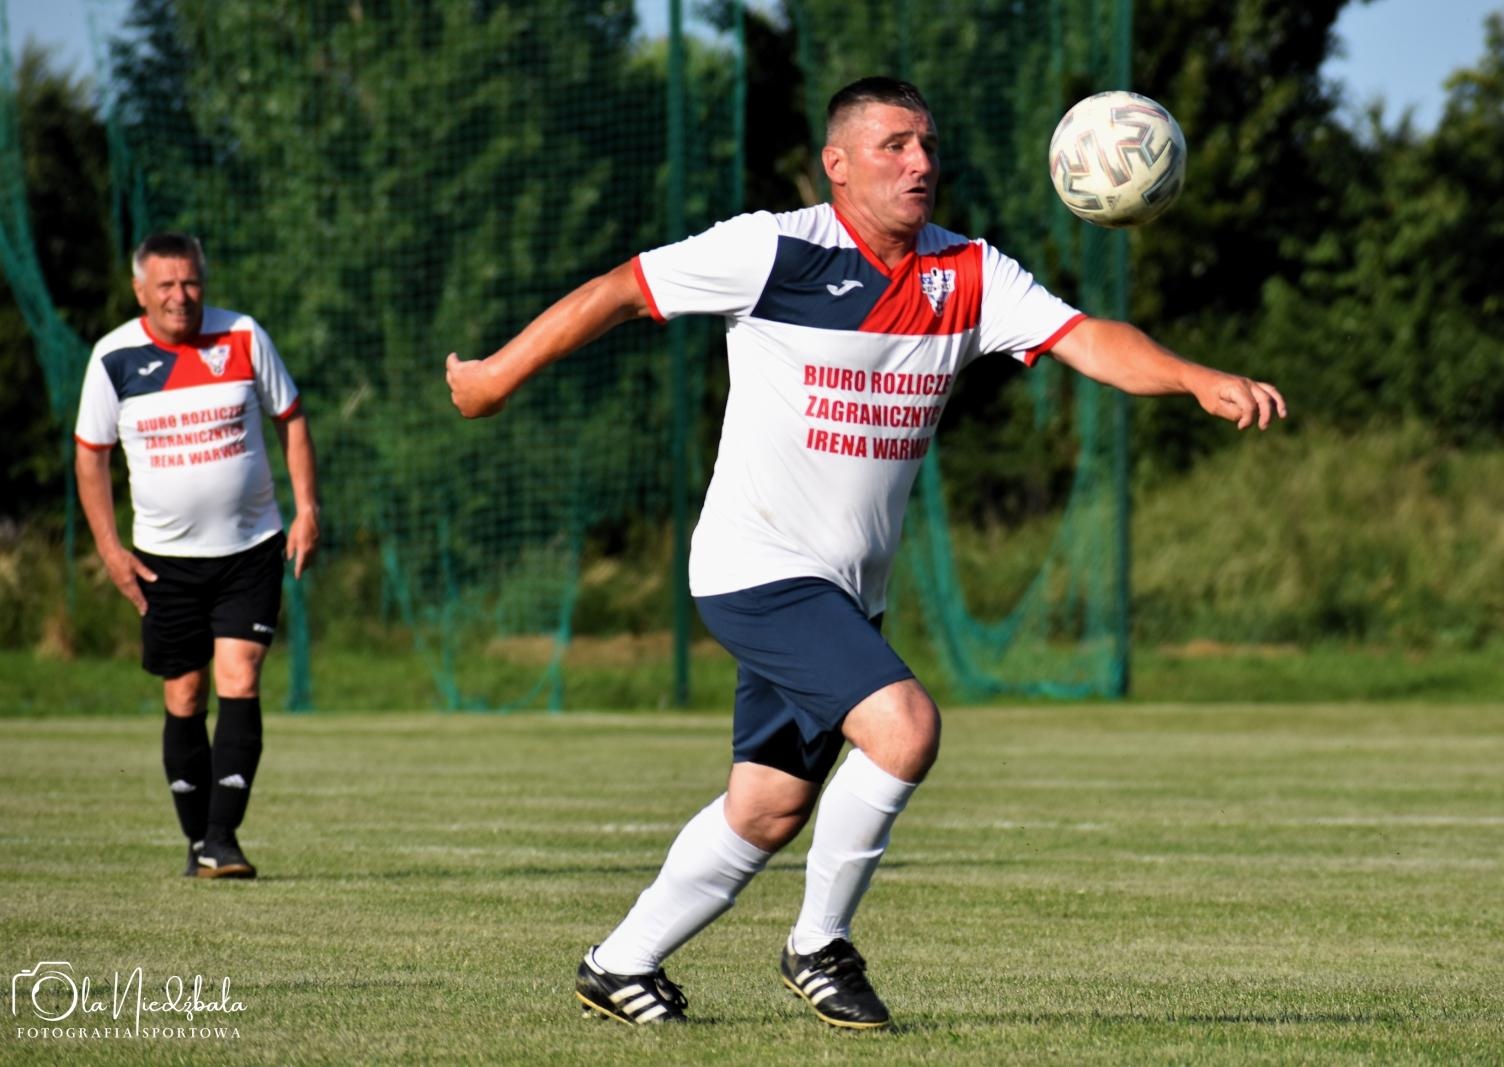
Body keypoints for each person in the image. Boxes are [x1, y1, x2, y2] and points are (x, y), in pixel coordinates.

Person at [446, 77, 1284, 1028]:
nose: (920, 162)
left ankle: (620, 962)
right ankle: (818, 944)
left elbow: (1087, 337)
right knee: (905, 727)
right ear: (836, 166)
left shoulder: (968, 273)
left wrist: (1193, 378)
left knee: (765, 808)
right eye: (894, 145)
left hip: (845, 594)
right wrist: (494, 378)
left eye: (927, 143)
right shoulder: (774, 248)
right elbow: (620, 291)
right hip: (755, 568)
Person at [75, 232, 320, 880]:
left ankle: (221, 838)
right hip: (163, 563)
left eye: (190, 283)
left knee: (239, 677)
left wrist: (308, 509)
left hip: (250, 547)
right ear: (140, 292)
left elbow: (291, 418)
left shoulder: (242, 335)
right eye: (166, 285)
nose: (181, 296)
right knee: (184, 693)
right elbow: (89, 457)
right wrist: (109, 547)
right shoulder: (113, 358)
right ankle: (197, 841)